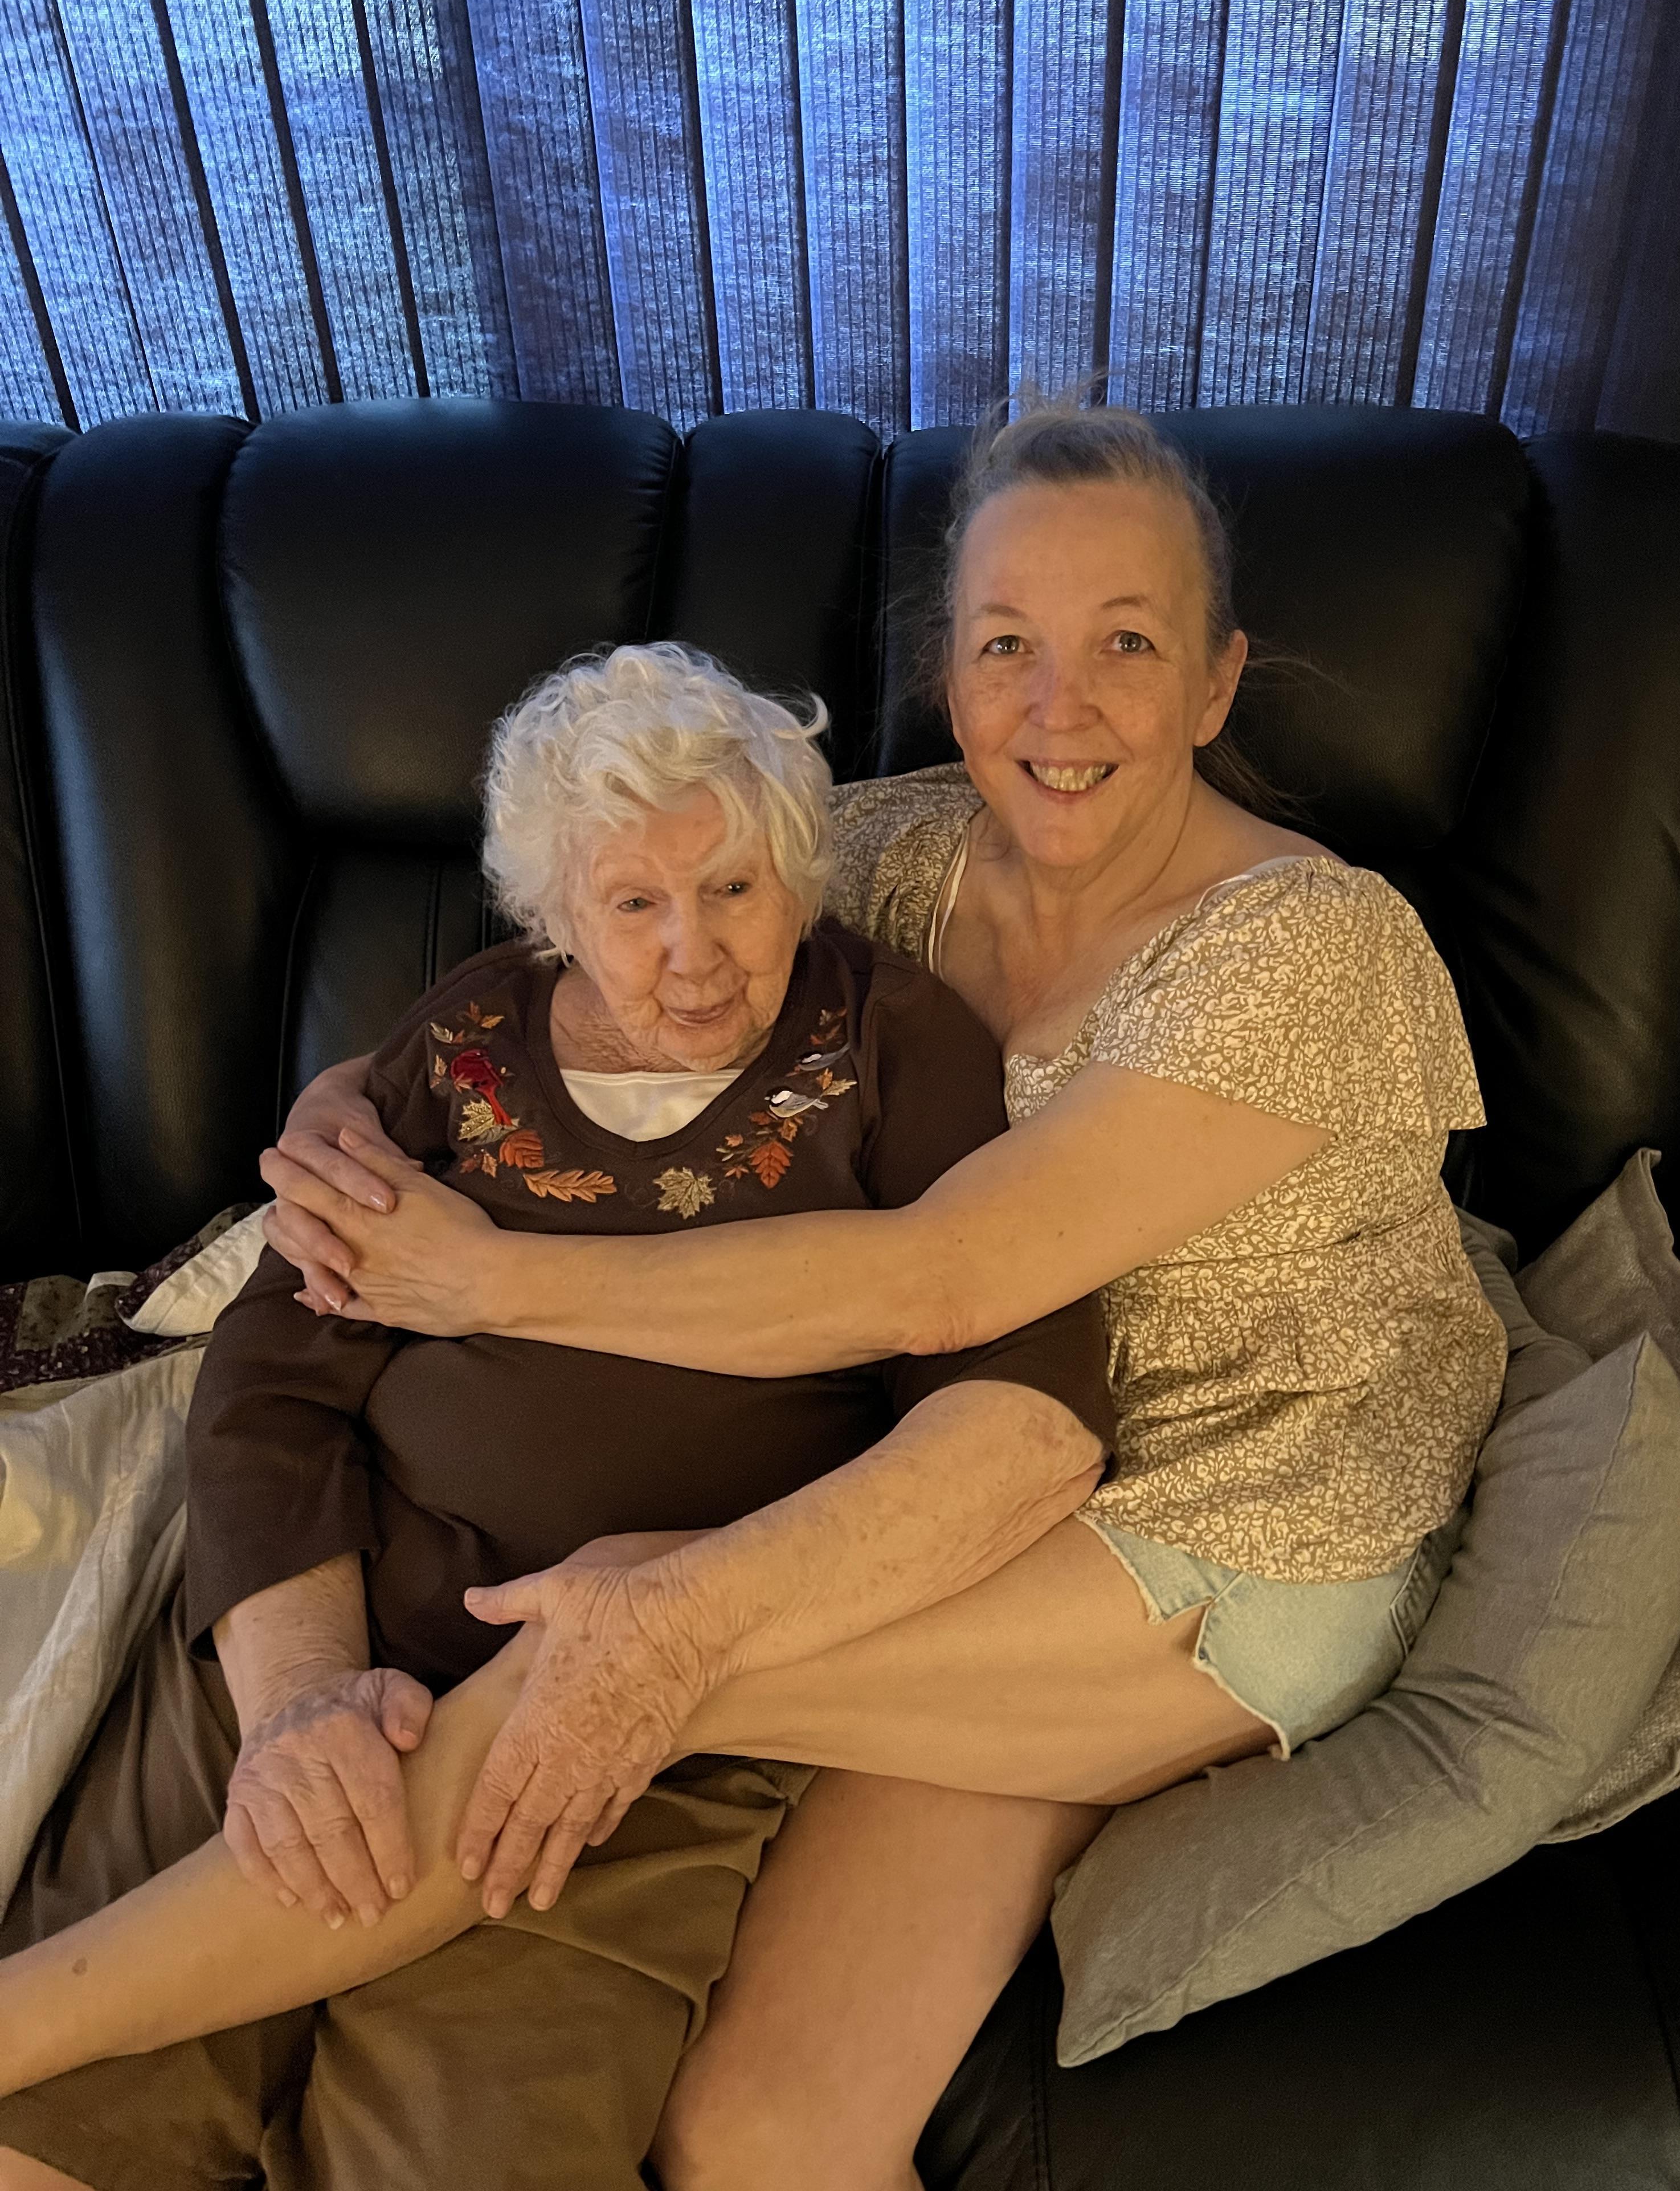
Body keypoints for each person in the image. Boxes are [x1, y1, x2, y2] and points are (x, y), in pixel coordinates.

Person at [8, 397, 1510, 2191]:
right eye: (1006, 645)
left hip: (1225, 1526)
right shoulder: (884, 848)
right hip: (961, 1506)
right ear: (947, 673)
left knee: (608, 1645)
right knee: (757, 2143)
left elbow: (949, 1277)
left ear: (1216, 679)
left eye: (1127, 643)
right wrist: (345, 1112)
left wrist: (487, 1277)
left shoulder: (1317, 946)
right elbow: (565, 958)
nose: (1060, 706)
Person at [0, 643, 1119, 2191]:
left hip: (630, 1746)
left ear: (798, 877)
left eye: (733, 889)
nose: (693, 953)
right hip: (316, 1652)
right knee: (49, 2133)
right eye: (633, 903)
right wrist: (303, 1695)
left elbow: (1008, 1398)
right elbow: (273, 1372)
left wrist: (706, 1621)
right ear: (554, 918)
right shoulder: (466, 1043)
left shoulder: (893, 1048)